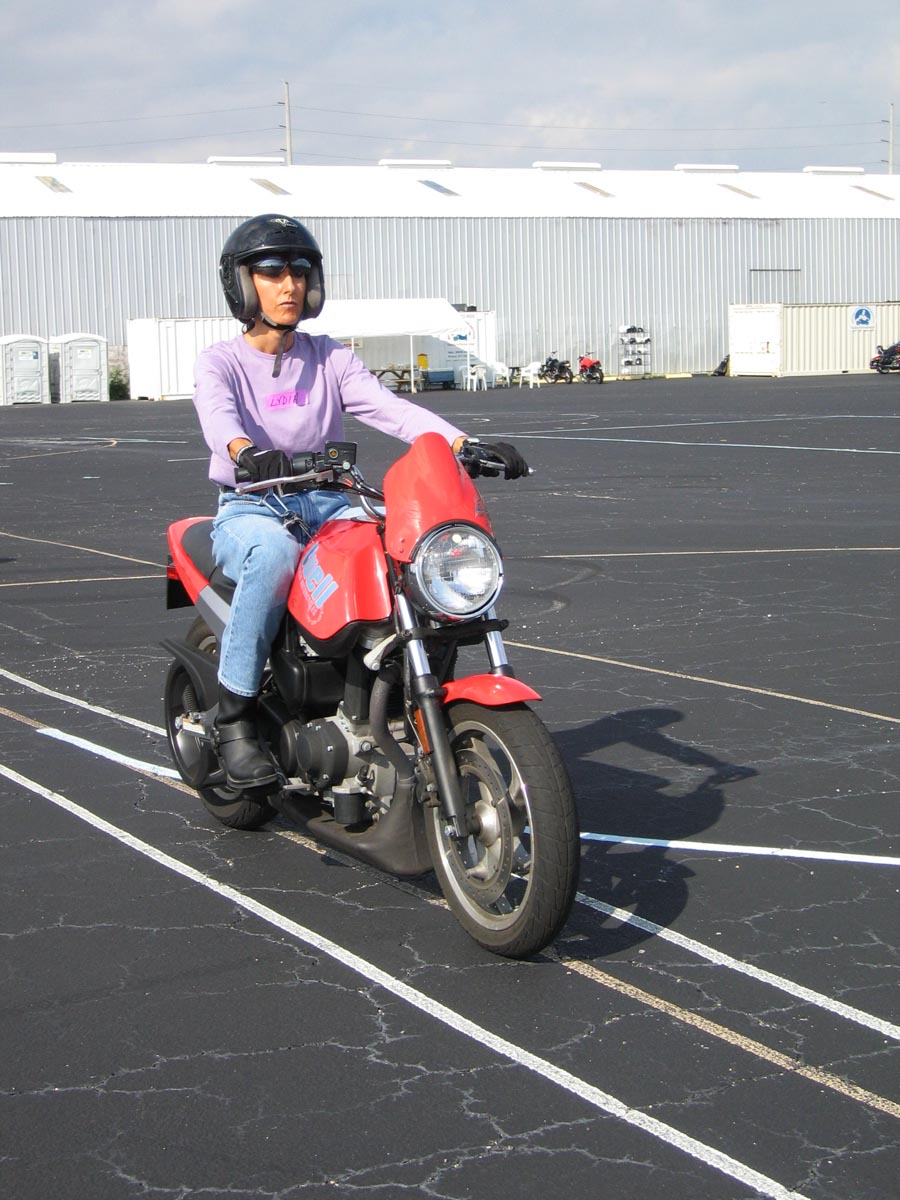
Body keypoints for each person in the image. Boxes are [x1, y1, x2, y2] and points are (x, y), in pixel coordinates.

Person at [192, 213, 528, 792]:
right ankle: (235, 720)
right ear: (243, 285)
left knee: (410, 547)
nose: (289, 285)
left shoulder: (330, 357)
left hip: (331, 500)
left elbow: (390, 409)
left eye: (300, 272)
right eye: (272, 272)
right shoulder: (220, 361)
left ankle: (398, 687)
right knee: (272, 555)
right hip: (253, 505)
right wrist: (246, 453)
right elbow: (218, 417)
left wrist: (461, 444)